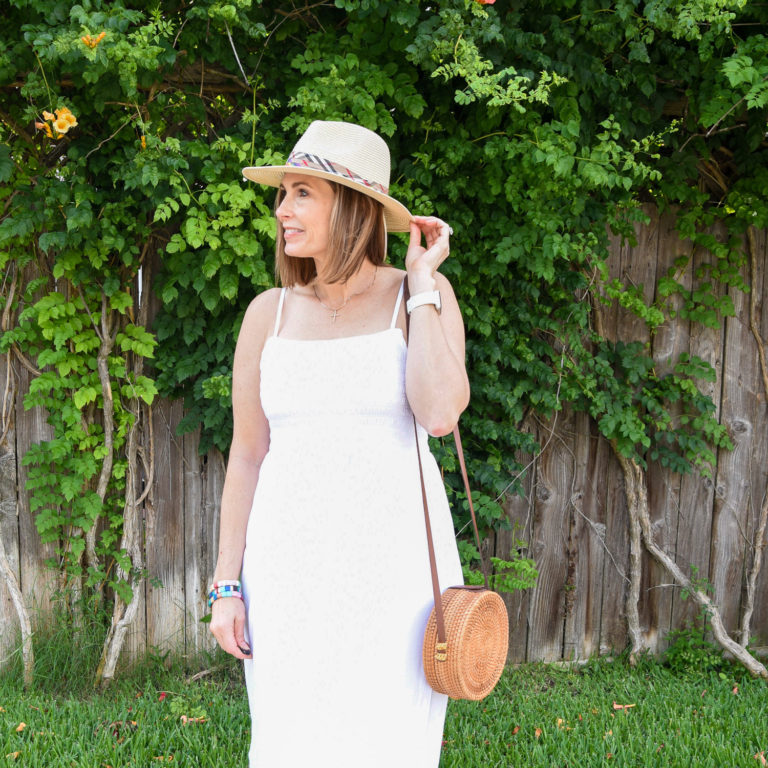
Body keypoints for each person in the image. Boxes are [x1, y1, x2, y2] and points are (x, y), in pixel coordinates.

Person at [209, 120, 470, 767]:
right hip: (287, 574)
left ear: (350, 206)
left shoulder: (413, 297)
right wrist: (225, 585)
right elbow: (247, 455)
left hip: (393, 576)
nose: (282, 210)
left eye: (301, 193)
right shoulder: (266, 314)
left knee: (387, 743)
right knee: (289, 741)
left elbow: (439, 413)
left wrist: (420, 286)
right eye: (282, 193)